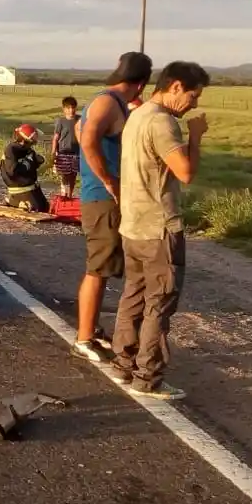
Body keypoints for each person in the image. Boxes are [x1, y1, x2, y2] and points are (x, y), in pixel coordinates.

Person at [106, 61, 210, 400]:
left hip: (133, 224)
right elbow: (186, 173)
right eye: (193, 96)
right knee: (159, 303)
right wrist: (196, 137)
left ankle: (123, 363)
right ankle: (148, 377)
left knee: (133, 296)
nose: (194, 104)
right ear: (176, 86)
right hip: (159, 228)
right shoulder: (163, 122)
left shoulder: (137, 115)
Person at [72, 51, 153, 363]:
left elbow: (80, 130)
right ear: (141, 83)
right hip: (102, 199)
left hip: (105, 198)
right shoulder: (107, 103)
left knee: (104, 269)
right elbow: (87, 139)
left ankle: (90, 330)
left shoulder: (111, 102)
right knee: (98, 269)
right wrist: (107, 179)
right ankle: (83, 339)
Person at [0, 124, 50, 213]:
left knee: (45, 207)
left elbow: (36, 161)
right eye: (33, 137)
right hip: (20, 188)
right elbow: (12, 171)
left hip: (31, 186)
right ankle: (14, 201)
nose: (35, 140)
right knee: (37, 210)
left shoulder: (26, 149)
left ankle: (17, 201)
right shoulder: (11, 149)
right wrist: (29, 162)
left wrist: (44, 161)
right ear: (24, 139)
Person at [51, 96, 80, 199]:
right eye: (68, 108)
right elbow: (55, 138)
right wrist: (53, 152)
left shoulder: (79, 119)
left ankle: (70, 195)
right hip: (63, 152)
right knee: (65, 175)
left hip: (76, 152)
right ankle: (64, 194)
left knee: (73, 175)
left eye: (73, 107)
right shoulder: (61, 121)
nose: (71, 110)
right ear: (64, 109)